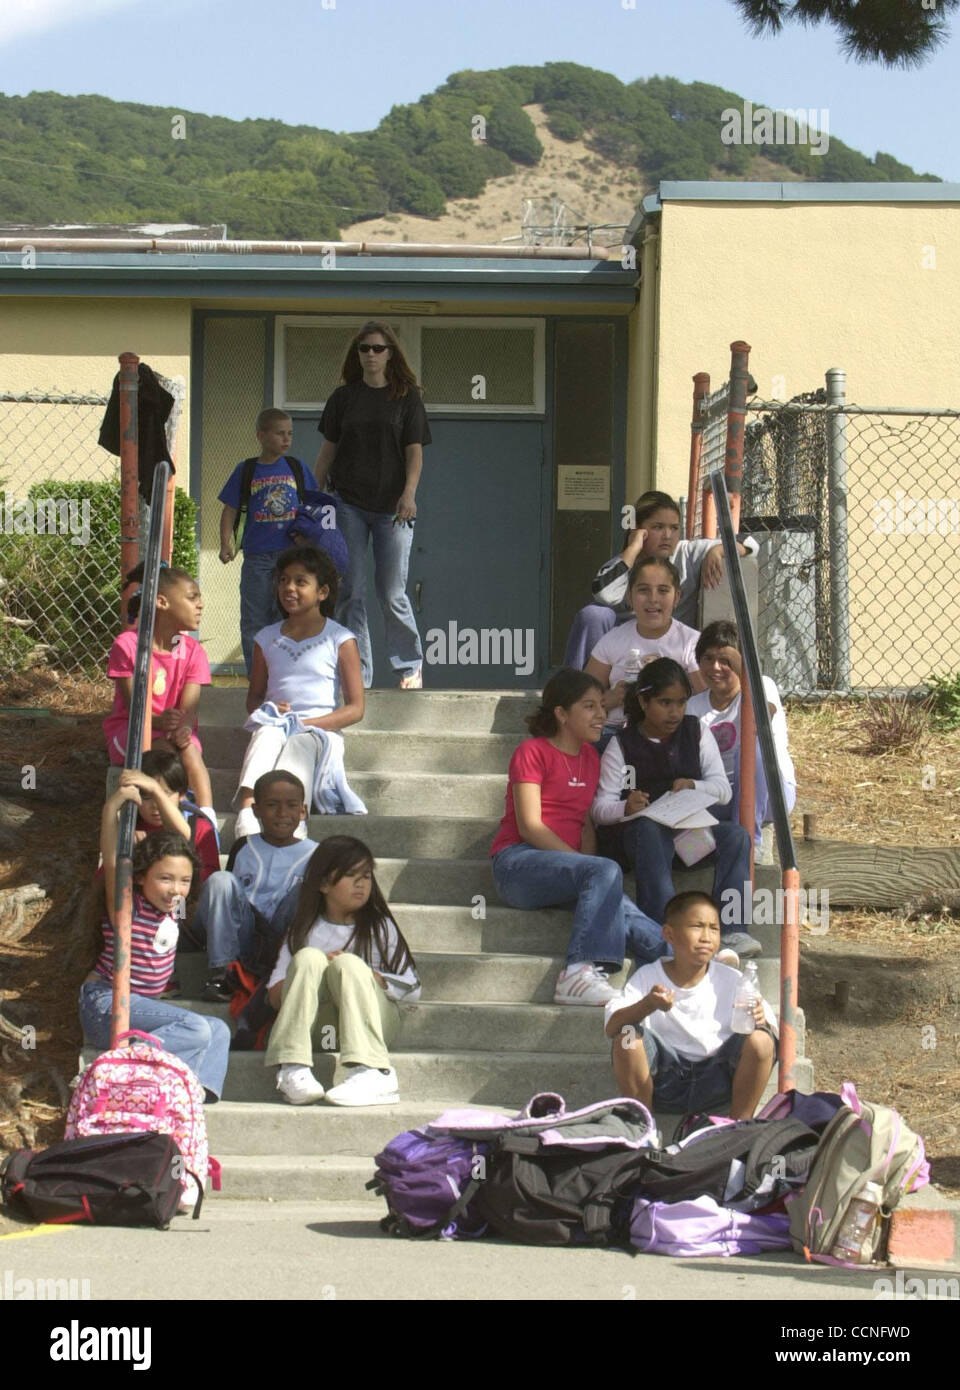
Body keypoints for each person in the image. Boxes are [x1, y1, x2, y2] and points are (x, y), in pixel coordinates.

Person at [490, 668, 666, 1008]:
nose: (601, 714)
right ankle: (578, 972)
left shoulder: (590, 757)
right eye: (589, 706)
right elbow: (529, 826)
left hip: (564, 868)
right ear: (561, 713)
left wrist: (586, 867)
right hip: (517, 863)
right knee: (604, 872)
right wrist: (587, 866)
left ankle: (692, 964)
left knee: (627, 910)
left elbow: (585, 825)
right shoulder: (532, 752)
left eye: (602, 705)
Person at [592, 658, 759, 959]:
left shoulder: (696, 732)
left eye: (681, 703)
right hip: (640, 847)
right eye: (665, 703)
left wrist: (694, 786)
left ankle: (734, 930)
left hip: (687, 844)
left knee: (735, 836)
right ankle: (665, 932)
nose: (675, 712)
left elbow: (722, 790)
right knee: (647, 828)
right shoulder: (623, 745)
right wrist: (625, 807)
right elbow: (600, 808)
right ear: (643, 701)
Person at [79, 784, 231, 1104]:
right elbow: (110, 858)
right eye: (165, 878)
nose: (176, 888)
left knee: (218, 1029)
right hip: (106, 1003)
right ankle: (116, 1066)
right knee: (196, 1029)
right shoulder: (127, 906)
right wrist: (113, 809)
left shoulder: (175, 908)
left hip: (139, 1011)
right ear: (140, 878)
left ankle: (190, 1094)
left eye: (184, 880)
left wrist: (155, 791)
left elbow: (184, 837)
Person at [313, 321, 431, 690]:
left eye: (378, 348)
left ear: (390, 353)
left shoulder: (407, 397)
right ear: (357, 354)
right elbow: (327, 452)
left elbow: (414, 455)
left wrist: (409, 494)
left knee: (392, 592)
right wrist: (312, 496)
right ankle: (357, 673)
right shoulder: (343, 398)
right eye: (364, 348)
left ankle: (409, 666)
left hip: (393, 509)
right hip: (348, 502)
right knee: (350, 591)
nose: (371, 355)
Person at [265, 836, 421, 1106]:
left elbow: (413, 990)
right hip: (320, 1029)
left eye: (367, 876)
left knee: (348, 964)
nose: (362, 884)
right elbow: (274, 997)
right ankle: (293, 1067)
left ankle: (372, 1071)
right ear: (324, 883)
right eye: (351, 875)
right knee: (310, 959)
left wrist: (373, 977)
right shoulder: (303, 929)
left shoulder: (380, 927)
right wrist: (312, 973)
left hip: (372, 1025)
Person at [605, 891, 777, 1119]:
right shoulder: (648, 976)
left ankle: (738, 1127)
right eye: (696, 926)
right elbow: (612, 1026)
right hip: (666, 1079)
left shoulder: (733, 979)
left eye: (714, 928)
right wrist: (648, 1004)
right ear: (669, 934)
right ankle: (641, 1126)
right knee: (626, 1036)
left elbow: (770, 1038)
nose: (706, 937)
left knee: (762, 1039)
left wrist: (760, 1017)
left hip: (719, 1078)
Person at [233, 545, 366, 839]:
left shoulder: (340, 639)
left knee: (299, 746)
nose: (288, 588)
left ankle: (294, 827)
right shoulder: (265, 638)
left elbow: (356, 708)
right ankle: (246, 816)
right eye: (283, 580)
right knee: (266, 736)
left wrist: (307, 724)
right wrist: (267, 712)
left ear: (323, 592)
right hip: (277, 723)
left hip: (318, 732)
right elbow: (254, 697)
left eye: (300, 581)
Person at [564, 490, 760, 669]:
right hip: (625, 650)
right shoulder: (625, 562)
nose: (668, 535)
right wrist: (633, 548)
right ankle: (578, 693)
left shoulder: (688, 553)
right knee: (593, 614)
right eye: (658, 527)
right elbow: (604, 594)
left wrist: (718, 549)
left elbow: (751, 543)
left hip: (672, 649)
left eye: (674, 528)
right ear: (640, 530)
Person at [185, 771, 317, 1003]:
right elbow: (228, 898)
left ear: (303, 811)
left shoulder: (316, 853)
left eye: (291, 805)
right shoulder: (243, 846)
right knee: (221, 880)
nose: (282, 813)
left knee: (306, 891)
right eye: (272, 805)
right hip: (240, 934)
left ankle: (284, 971)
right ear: (256, 810)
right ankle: (224, 974)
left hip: (280, 936)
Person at [103, 562, 213, 816]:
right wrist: (158, 721)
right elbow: (134, 707)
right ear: (162, 602)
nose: (200, 604)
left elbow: (190, 707)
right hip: (132, 730)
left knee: (189, 751)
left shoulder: (194, 651)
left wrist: (182, 728)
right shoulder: (128, 645)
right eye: (192, 597)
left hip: (174, 733)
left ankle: (205, 817)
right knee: (165, 754)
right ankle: (170, 811)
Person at [218, 408, 320, 675]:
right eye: (279, 434)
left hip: (291, 557)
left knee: (287, 617)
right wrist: (225, 543)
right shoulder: (247, 470)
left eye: (290, 434)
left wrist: (310, 537)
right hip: (258, 558)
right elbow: (229, 509)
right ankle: (257, 679)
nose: (286, 440)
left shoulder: (297, 468)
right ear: (261, 435)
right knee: (255, 619)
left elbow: (314, 505)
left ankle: (285, 676)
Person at [687, 620, 797, 848]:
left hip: (769, 795)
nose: (715, 667)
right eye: (708, 659)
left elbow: (763, 716)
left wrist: (745, 669)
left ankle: (750, 842)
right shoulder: (693, 706)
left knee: (753, 748)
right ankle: (701, 852)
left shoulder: (761, 685)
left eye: (726, 661)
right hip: (720, 796)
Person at [585, 554, 704, 751]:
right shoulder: (613, 640)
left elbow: (705, 700)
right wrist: (609, 699)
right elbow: (582, 703)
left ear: (677, 597)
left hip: (672, 734)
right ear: (630, 597)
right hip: (615, 732)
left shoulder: (691, 642)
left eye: (663, 590)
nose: (653, 599)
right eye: (643, 590)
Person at [133, 743, 220, 881]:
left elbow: (210, 876)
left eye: (164, 795)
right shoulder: (131, 828)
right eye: (147, 797)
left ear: (181, 795)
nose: (156, 805)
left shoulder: (199, 827)